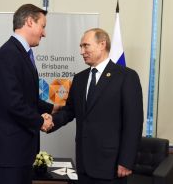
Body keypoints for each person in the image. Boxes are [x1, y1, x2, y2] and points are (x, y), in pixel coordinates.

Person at [43, 28, 144, 184]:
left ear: (102, 44)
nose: (82, 51)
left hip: (111, 165)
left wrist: (126, 161)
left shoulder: (126, 77)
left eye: (86, 46)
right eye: (81, 47)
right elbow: (70, 111)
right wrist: (51, 121)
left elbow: (133, 123)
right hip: (83, 164)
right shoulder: (80, 79)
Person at [0, 4, 56, 184]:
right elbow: (13, 103)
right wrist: (40, 121)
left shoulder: (21, 53)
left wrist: (54, 107)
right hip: (8, 152)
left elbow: (27, 98)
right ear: (30, 22)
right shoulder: (9, 54)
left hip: (19, 151)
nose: (44, 33)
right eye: (43, 26)